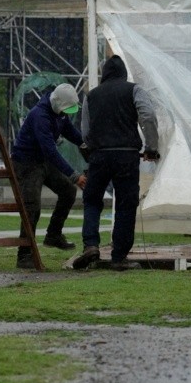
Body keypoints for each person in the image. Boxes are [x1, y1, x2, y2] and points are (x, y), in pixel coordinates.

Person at [69, 55, 160, 271]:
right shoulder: (134, 90)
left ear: (104, 74)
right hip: (127, 156)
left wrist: (96, 145)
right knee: (125, 205)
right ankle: (119, 257)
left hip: (99, 156)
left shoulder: (91, 96)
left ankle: (91, 245)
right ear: (123, 73)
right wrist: (151, 147)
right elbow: (147, 115)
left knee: (92, 200)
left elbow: (85, 131)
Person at [11, 83, 87, 269]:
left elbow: (70, 131)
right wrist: (74, 176)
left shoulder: (59, 113)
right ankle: (24, 255)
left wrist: (85, 144)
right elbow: (50, 151)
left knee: (68, 192)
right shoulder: (40, 116)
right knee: (32, 208)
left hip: (43, 160)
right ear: (58, 103)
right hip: (27, 164)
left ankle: (53, 235)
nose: (67, 113)